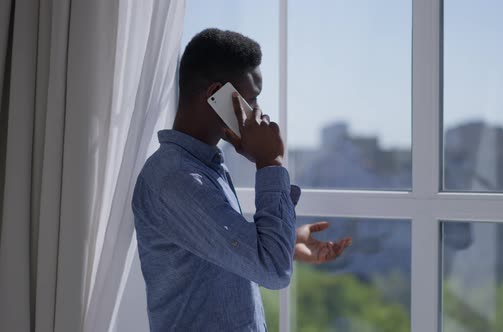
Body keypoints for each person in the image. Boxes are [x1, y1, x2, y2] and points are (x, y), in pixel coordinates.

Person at [132, 28, 352, 331]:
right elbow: (273, 271)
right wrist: (269, 162)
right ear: (215, 96)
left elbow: (219, 248)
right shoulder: (178, 179)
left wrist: (285, 243)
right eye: (251, 100)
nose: (258, 114)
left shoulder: (204, 169)